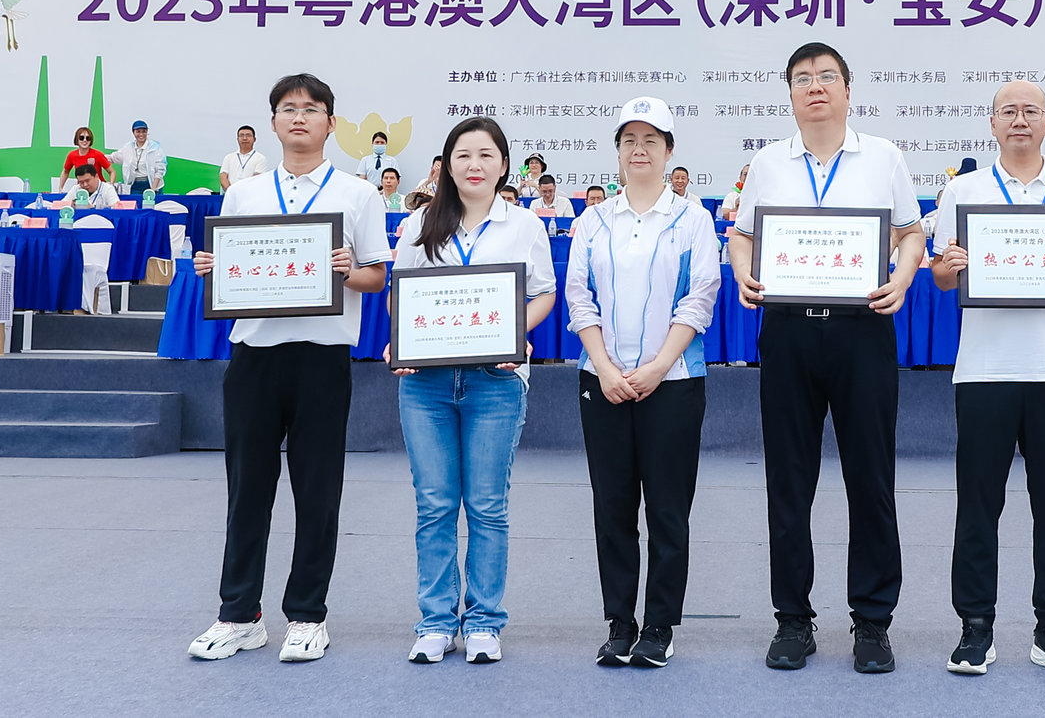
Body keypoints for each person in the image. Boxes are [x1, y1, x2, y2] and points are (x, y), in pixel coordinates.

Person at [727, 42, 924, 675]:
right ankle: (793, 619)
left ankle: (873, 621)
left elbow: (911, 232)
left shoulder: (884, 156)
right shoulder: (768, 161)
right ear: (790, 93)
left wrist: (902, 278)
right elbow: (742, 235)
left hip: (862, 333)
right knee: (788, 481)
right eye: (803, 79)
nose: (816, 87)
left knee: (871, 479)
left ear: (847, 90)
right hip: (788, 332)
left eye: (827, 77)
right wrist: (742, 272)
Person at [187, 73, 389, 664]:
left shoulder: (358, 194)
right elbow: (228, 265)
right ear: (273, 122)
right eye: (288, 108)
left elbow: (377, 276)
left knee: (318, 489)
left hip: (322, 356)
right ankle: (239, 614)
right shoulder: (244, 194)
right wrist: (212, 268)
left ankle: (306, 614)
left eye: (312, 109)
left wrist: (347, 270)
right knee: (247, 488)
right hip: (254, 354)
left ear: (331, 123)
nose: (300, 117)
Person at [929, 80, 1045, 680]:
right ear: (992, 123)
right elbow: (941, 277)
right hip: (984, 370)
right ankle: (975, 626)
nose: (1020, 120)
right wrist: (949, 266)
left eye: (1031, 111)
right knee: (977, 506)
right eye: (1008, 111)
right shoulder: (963, 192)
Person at [388, 116, 556, 666]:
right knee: (434, 503)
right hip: (426, 385)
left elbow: (543, 293)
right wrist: (399, 340)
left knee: (487, 505)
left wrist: (517, 332)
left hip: (496, 381)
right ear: (446, 165)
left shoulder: (524, 225)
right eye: (463, 155)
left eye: (486, 155)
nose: (474, 165)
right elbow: (399, 293)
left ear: (504, 165)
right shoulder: (420, 223)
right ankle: (436, 621)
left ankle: (484, 620)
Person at [566, 97, 720, 669]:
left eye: (651, 140)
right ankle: (619, 623)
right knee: (612, 508)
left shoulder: (693, 219)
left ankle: (658, 626)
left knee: (667, 509)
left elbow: (700, 296)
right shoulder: (593, 221)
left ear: (669, 151)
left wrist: (656, 367)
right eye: (629, 140)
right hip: (601, 382)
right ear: (617, 151)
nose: (639, 150)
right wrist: (605, 367)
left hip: (673, 381)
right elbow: (579, 295)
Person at [111, 120, 167, 195]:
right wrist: (98, 156)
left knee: (154, 202)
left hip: (152, 184)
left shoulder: (155, 147)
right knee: (135, 202)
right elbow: (114, 157)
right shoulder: (128, 147)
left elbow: (160, 170)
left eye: (144, 131)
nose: (141, 134)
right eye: (138, 132)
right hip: (135, 185)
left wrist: (153, 189)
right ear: (133, 132)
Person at [56, 128, 112, 192]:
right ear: (77, 139)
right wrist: (60, 188)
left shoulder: (97, 154)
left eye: (88, 138)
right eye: (81, 138)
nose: (85, 140)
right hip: (82, 189)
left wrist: (111, 185)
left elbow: (112, 171)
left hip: (99, 190)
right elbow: (65, 171)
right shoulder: (72, 155)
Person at [219, 125, 269, 192]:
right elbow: (223, 177)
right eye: (241, 135)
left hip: (250, 195)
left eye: (248, 135)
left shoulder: (260, 158)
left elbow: (256, 180)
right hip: (231, 195)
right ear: (237, 139)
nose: (244, 138)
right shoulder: (229, 157)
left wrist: (243, 194)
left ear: (254, 139)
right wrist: (232, 193)